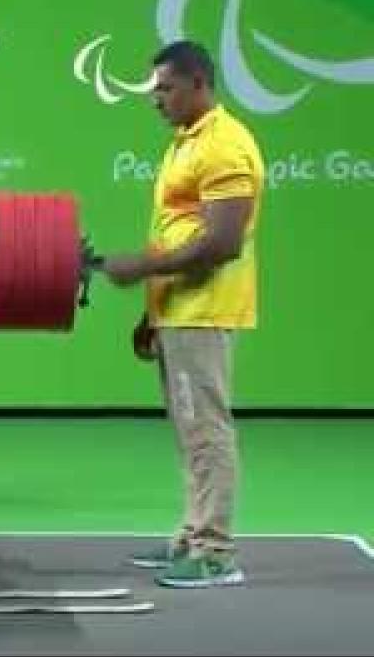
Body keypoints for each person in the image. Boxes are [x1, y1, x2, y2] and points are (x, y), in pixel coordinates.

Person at [102, 39, 265, 589]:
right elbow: (178, 232)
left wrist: (142, 272)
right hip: (177, 310)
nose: (155, 99)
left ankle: (215, 552)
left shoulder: (225, 145)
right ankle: (191, 534)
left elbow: (222, 243)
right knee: (188, 430)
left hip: (204, 310)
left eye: (165, 88)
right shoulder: (183, 144)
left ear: (199, 83)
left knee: (207, 432)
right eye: (153, 90)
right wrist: (153, 310)